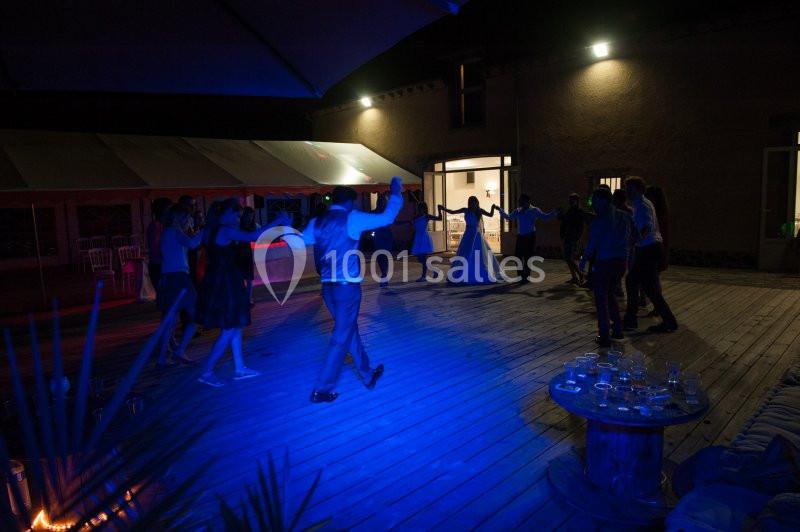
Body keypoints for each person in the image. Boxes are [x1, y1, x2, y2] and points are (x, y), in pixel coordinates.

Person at [303, 177, 404, 403]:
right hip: (347, 288)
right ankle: (322, 389)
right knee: (341, 336)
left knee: (349, 330)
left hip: (328, 288)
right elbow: (387, 218)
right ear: (350, 202)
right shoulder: (352, 218)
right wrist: (396, 193)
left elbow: (300, 241)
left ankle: (367, 374)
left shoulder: (318, 221)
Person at [195, 199, 291, 387]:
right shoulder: (224, 230)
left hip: (220, 281)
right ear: (226, 214)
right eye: (236, 215)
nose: (238, 218)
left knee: (235, 324)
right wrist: (277, 221)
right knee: (230, 328)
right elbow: (254, 235)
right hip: (226, 283)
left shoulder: (210, 230)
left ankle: (239, 368)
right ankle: (207, 371)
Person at [623, 177, 678, 333]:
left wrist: (634, 241)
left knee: (632, 281)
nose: (627, 191)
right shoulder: (641, 204)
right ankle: (668, 321)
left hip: (648, 248)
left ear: (638, 189)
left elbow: (646, 226)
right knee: (649, 288)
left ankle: (631, 320)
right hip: (650, 248)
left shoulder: (642, 205)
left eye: (629, 189)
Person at [580, 188, 631, 348]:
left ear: (603, 201)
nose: (592, 204)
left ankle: (604, 335)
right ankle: (617, 329)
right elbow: (632, 236)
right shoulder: (624, 216)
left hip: (605, 261)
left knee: (601, 298)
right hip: (620, 262)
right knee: (610, 294)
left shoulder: (600, 220)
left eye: (594, 201)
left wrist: (584, 260)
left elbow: (593, 243)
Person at [156, 204, 202, 366]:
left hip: (168, 277)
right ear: (179, 217)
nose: (189, 220)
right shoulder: (175, 232)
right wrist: (206, 229)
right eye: (187, 217)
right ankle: (179, 351)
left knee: (171, 320)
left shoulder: (167, 232)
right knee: (195, 315)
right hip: (179, 278)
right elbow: (193, 244)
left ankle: (163, 357)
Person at [497, 194, 558, 283]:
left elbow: (545, 217)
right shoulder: (518, 211)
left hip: (530, 236)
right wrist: (500, 210)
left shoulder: (534, 210)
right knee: (517, 256)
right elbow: (509, 217)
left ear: (527, 201)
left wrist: (554, 213)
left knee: (527, 257)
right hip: (521, 236)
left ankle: (526, 276)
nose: (519, 202)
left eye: (520, 201)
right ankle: (521, 275)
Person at [440, 197, 500, 284]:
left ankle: (479, 273)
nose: (472, 204)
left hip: (476, 234)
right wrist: (443, 209)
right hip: (468, 234)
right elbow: (452, 212)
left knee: (477, 253)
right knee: (464, 252)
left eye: (474, 202)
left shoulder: (479, 211)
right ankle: (461, 273)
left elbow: (490, 215)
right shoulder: (465, 210)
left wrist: (493, 208)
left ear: (476, 203)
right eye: (471, 202)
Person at [408, 202, 442, 282]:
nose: (419, 209)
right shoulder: (415, 217)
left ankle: (423, 276)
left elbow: (439, 218)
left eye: (421, 207)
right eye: (418, 207)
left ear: (424, 208)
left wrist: (439, 210)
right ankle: (435, 271)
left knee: (423, 258)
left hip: (424, 238)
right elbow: (413, 227)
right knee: (420, 259)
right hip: (417, 238)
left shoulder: (426, 216)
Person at [559, 193, 586, 284]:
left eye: (572, 200)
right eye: (570, 200)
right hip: (568, 236)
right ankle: (575, 276)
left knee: (569, 257)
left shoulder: (578, 211)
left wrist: (577, 237)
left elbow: (580, 226)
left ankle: (579, 274)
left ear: (577, 201)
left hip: (573, 237)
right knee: (568, 258)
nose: (570, 202)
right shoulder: (571, 210)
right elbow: (565, 221)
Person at [146, 198, 172, 290]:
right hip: (158, 265)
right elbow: (156, 247)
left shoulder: (163, 225)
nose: (171, 211)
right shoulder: (155, 226)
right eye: (169, 208)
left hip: (162, 265)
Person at [236, 206, 259, 306]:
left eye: (251, 217)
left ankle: (248, 300)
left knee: (249, 279)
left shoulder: (251, 227)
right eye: (248, 216)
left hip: (246, 253)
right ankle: (243, 299)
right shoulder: (237, 226)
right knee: (240, 279)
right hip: (237, 255)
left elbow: (256, 237)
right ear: (243, 216)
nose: (249, 219)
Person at [372, 194, 395, 288]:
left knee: (385, 256)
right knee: (379, 256)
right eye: (381, 201)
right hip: (378, 236)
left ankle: (384, 275)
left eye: (384, 201)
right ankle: (383, 273)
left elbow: (393, 222)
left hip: (386, 236)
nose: (382, 202)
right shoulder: (374, 212)